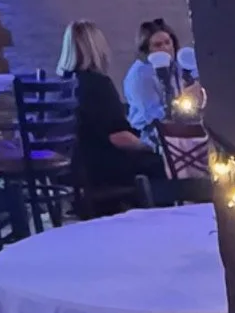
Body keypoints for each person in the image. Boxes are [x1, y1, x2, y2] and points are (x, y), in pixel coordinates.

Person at [60, 20, 158, 204]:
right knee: (158, 163)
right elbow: (118, 136)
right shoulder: (98, 85)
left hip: (73, 167)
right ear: (97, 48)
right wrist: (149, 146)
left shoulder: (63, 86)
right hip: (100, 167)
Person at [123, 19, 194, 133]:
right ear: (147, 50)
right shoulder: (139, 74)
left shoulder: (179, 65)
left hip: (182, 126)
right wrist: (178, 107)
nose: (165, 48)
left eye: (167, 42)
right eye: (158, 45)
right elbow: (152, 114)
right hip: (149, 132)